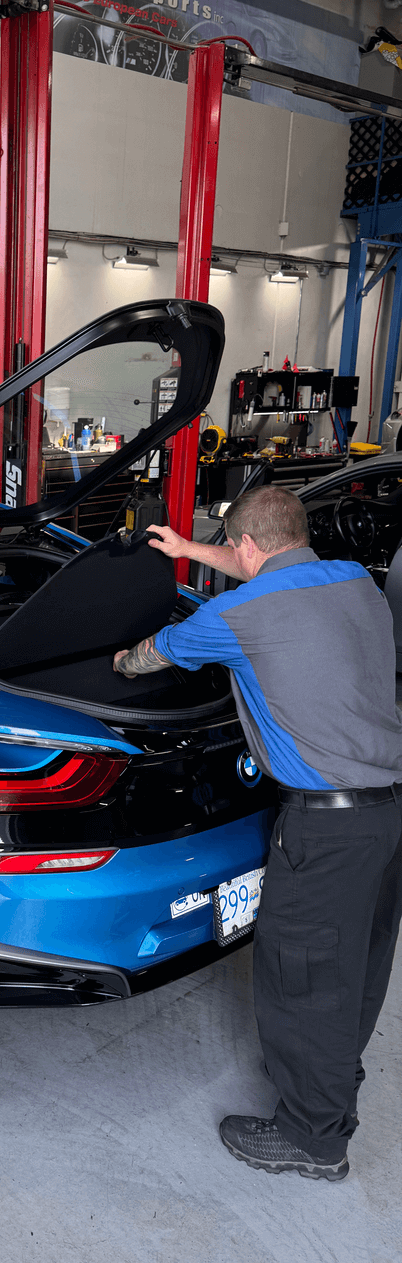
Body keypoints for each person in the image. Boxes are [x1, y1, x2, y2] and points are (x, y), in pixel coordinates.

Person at [113, 485, 402, 1182]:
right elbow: (264, 568)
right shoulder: (352, 579)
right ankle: (334, 1078)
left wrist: (117, 661)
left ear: (244, 547)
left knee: (301, 980)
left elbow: (154, 655)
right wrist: (186, 551)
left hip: (328, 828)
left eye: (231, 550)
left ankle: (313, 1138)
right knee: (356, 967)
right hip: (388, 811)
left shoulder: (237, 613)